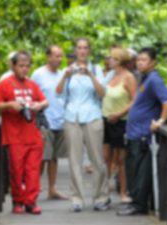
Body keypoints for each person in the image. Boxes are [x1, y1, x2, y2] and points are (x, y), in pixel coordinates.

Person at [56, 38, 111, 212]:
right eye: (79, 48)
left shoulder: (96, 69)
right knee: (74, 160)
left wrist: (90, 75)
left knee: (97, 159)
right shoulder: (68, 71)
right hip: (72, 117)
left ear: (89, 51)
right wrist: (65, 76)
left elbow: (102, 93)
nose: (82, 51)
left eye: (85, 48)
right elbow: (58, 93)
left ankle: (100, 196)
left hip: (93, 116)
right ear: (75, 50)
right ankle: (77, 198)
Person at [117, 47, 167, 216]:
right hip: (135, 133)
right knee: (134, 167)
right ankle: (136, 202)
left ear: (152, 62)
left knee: (141, 170)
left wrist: (161, 121)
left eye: (144, 60)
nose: (140, 62)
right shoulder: (144, 78)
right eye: (139, 59)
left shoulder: (154, 79)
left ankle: (139, 205)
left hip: (144, 135)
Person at [0, 51, 48, 215]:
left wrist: (39, 105)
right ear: (13, 66)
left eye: (27, 66)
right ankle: (18, 200)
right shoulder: (4, 84)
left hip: (33, 135)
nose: (24, 69)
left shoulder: (32, 84)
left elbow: (45, 100)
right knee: (17, 171)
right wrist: (10, 105)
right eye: (21, 66)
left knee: (33, 170)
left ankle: (31, 202)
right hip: (14, 136)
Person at [31, 45, 68, 200]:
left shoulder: (62, 74)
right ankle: (35, 189)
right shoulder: (38, 74)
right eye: (56, 56)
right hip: (44, 121)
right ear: (48, 57)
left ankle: (52, 189)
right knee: (42, 157)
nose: (59, 59)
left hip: (60, 121)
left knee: (54, 157)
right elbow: (31, 94)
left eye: (61, 56)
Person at [102, 47, 137, 204]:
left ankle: (123, 192)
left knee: (121, 159)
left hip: (121, 121)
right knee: (106, 158)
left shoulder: (129, 77)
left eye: (112, 58)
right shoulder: (110, 76)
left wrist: (119, 114)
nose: (109, 60)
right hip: (105, 120)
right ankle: (104, 192)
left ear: (119, 61)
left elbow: (135, 100)